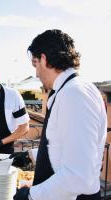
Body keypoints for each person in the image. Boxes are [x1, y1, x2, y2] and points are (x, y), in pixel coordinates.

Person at [14, 29, 107, 200]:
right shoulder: (71, 90)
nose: (36, 74)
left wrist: (30, 196)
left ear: (44, 59)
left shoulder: (74, 94)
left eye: (35, 64)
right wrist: (29, 155)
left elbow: (78, 175)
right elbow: (63, 146)